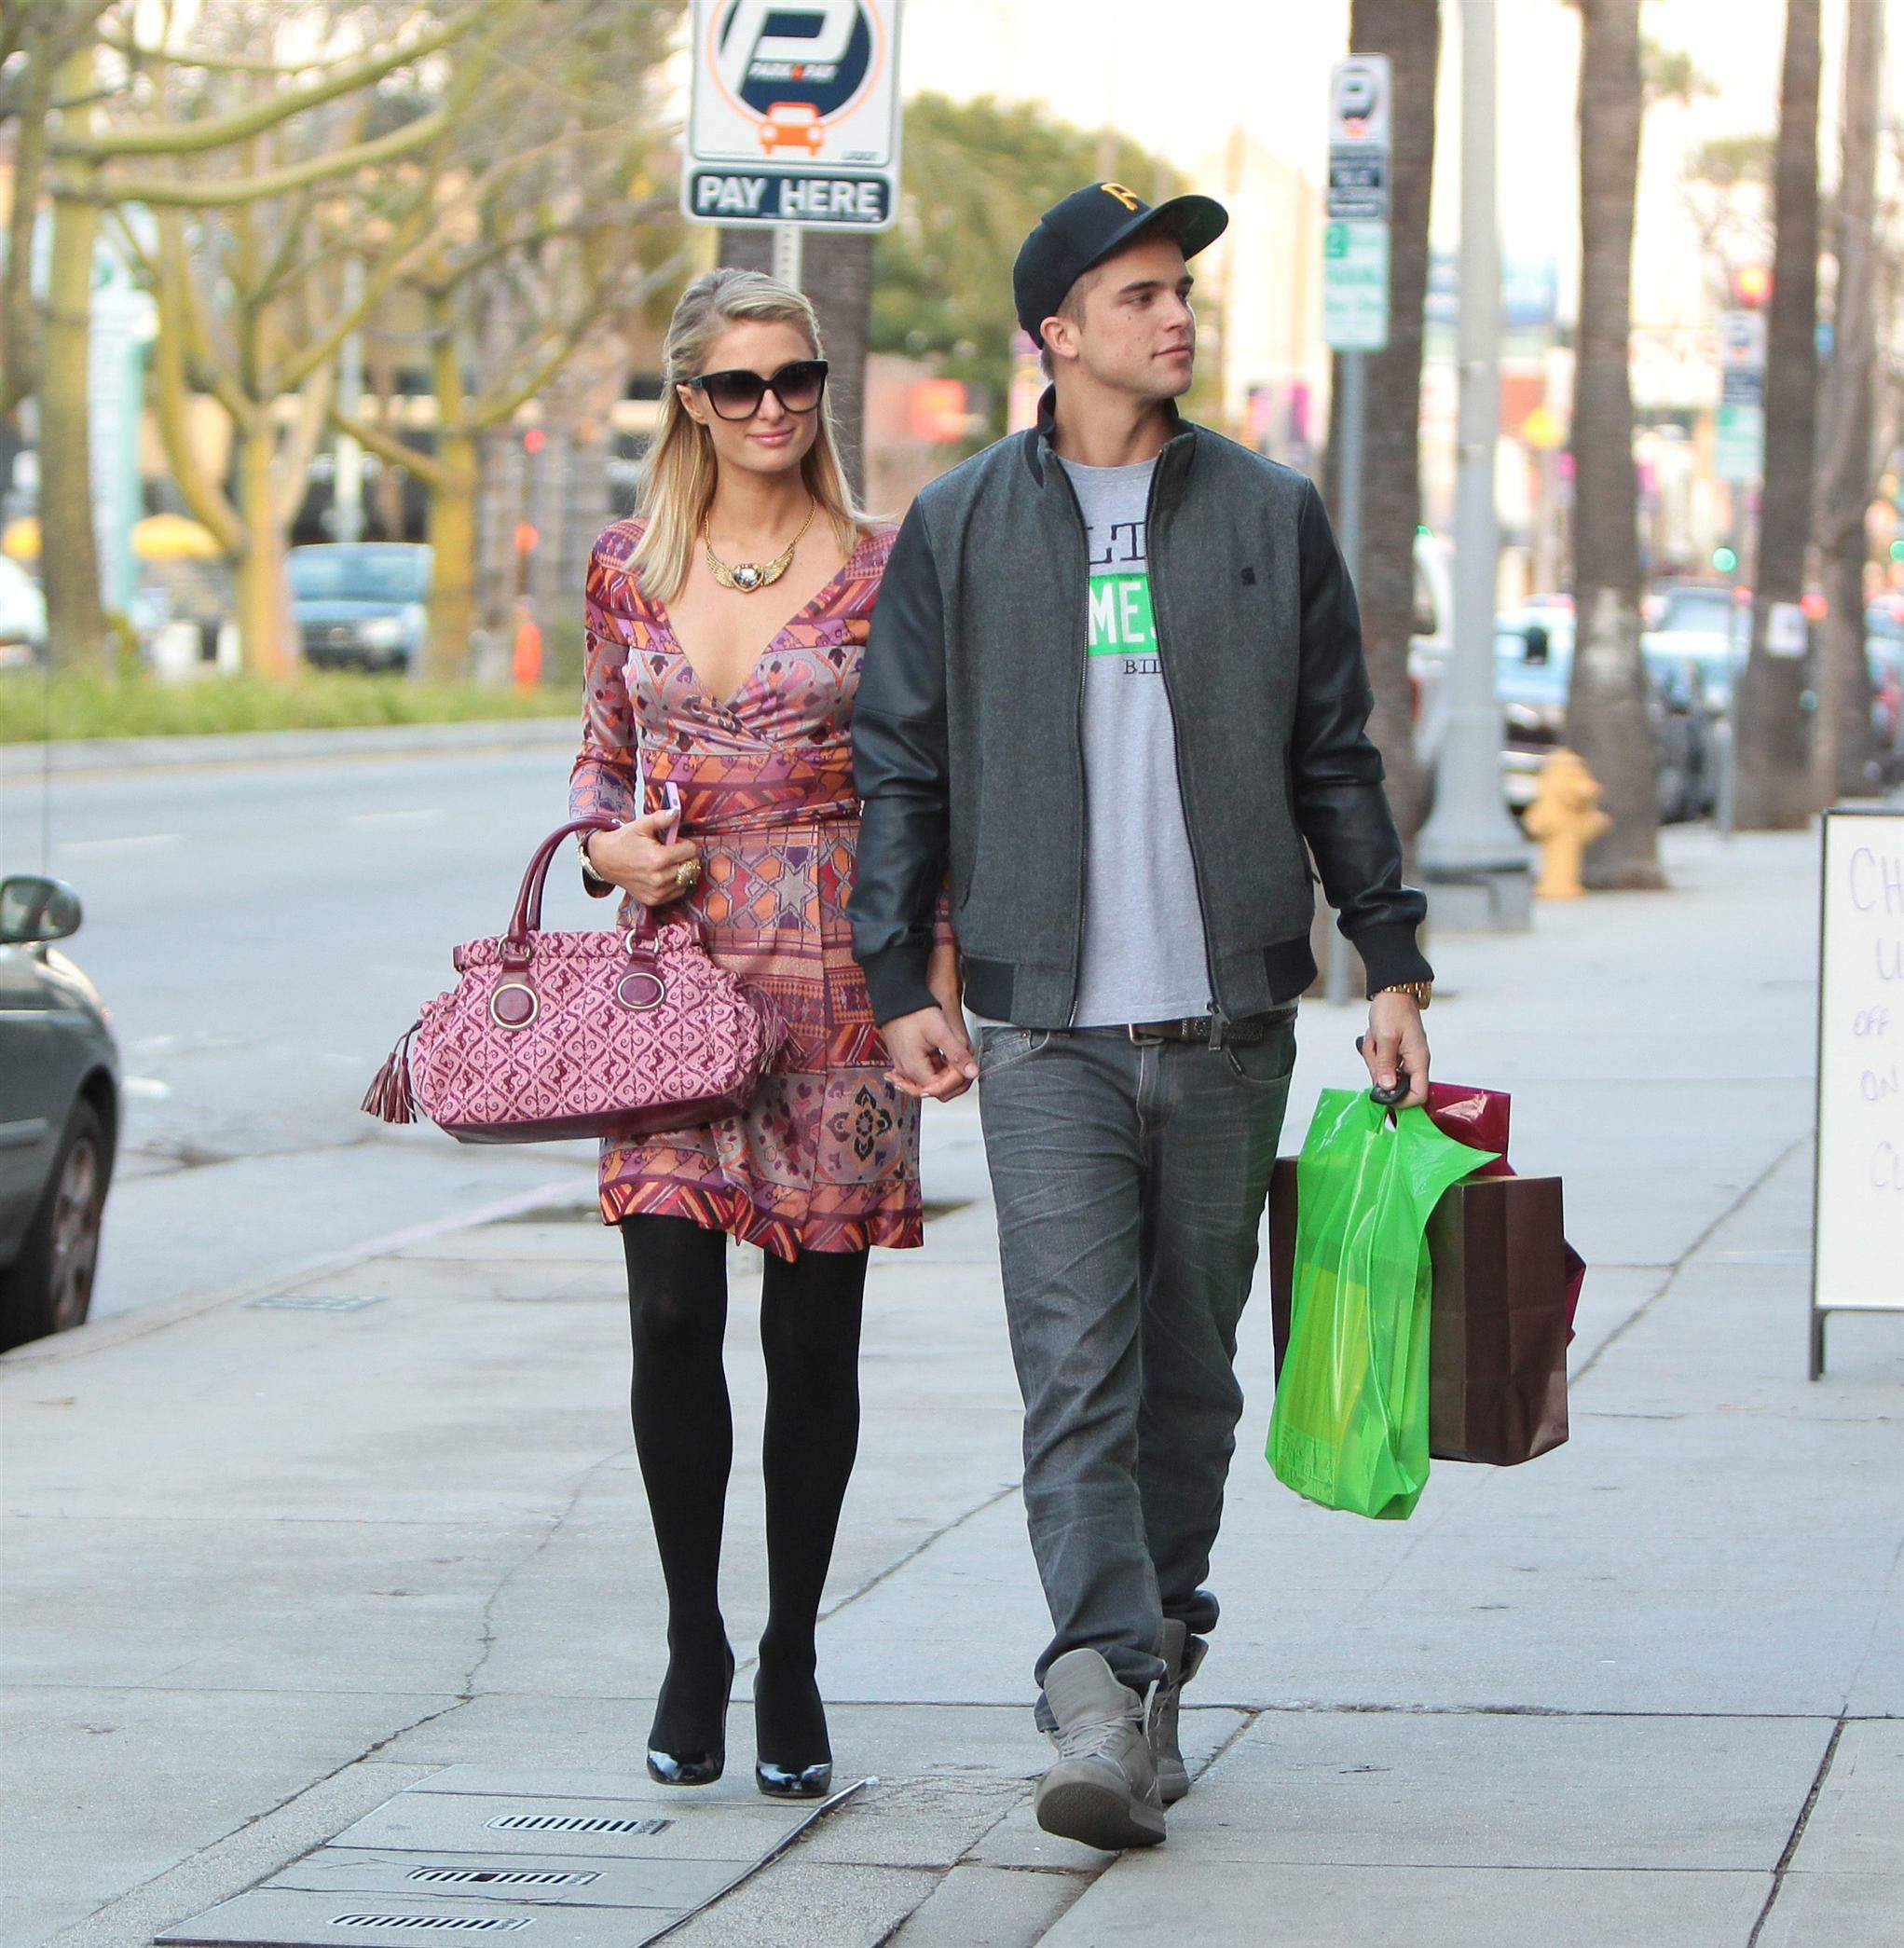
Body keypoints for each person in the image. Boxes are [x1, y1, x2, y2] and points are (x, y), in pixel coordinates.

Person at [849, 184, 1434, 1849]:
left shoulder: (1266, 510)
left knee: (1190, 1379)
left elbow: (1337, 752)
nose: (1174, 317)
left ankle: (1157, 1658)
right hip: (1044, 1032)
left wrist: (1386, 959)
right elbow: (898, 762)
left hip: (1233, 1015)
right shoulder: (960, 525)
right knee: (1075, 1367)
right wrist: (903, 980)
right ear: (1056, 330)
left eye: (1181, 290)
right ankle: (1093, 1689)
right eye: (1136, 295)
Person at [569, 268, 960, 1800]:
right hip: (672, 970)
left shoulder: (883, 567)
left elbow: (929, 786)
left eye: (795, 380)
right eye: (739, 386)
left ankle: (792, 1643)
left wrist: (930, 980)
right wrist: (609, 854)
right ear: (689, 400)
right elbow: (603, 765)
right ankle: (693, 1636)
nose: (774, 409)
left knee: (812, 1333)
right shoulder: (623, 566)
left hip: (839, 974)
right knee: (671, 1313)